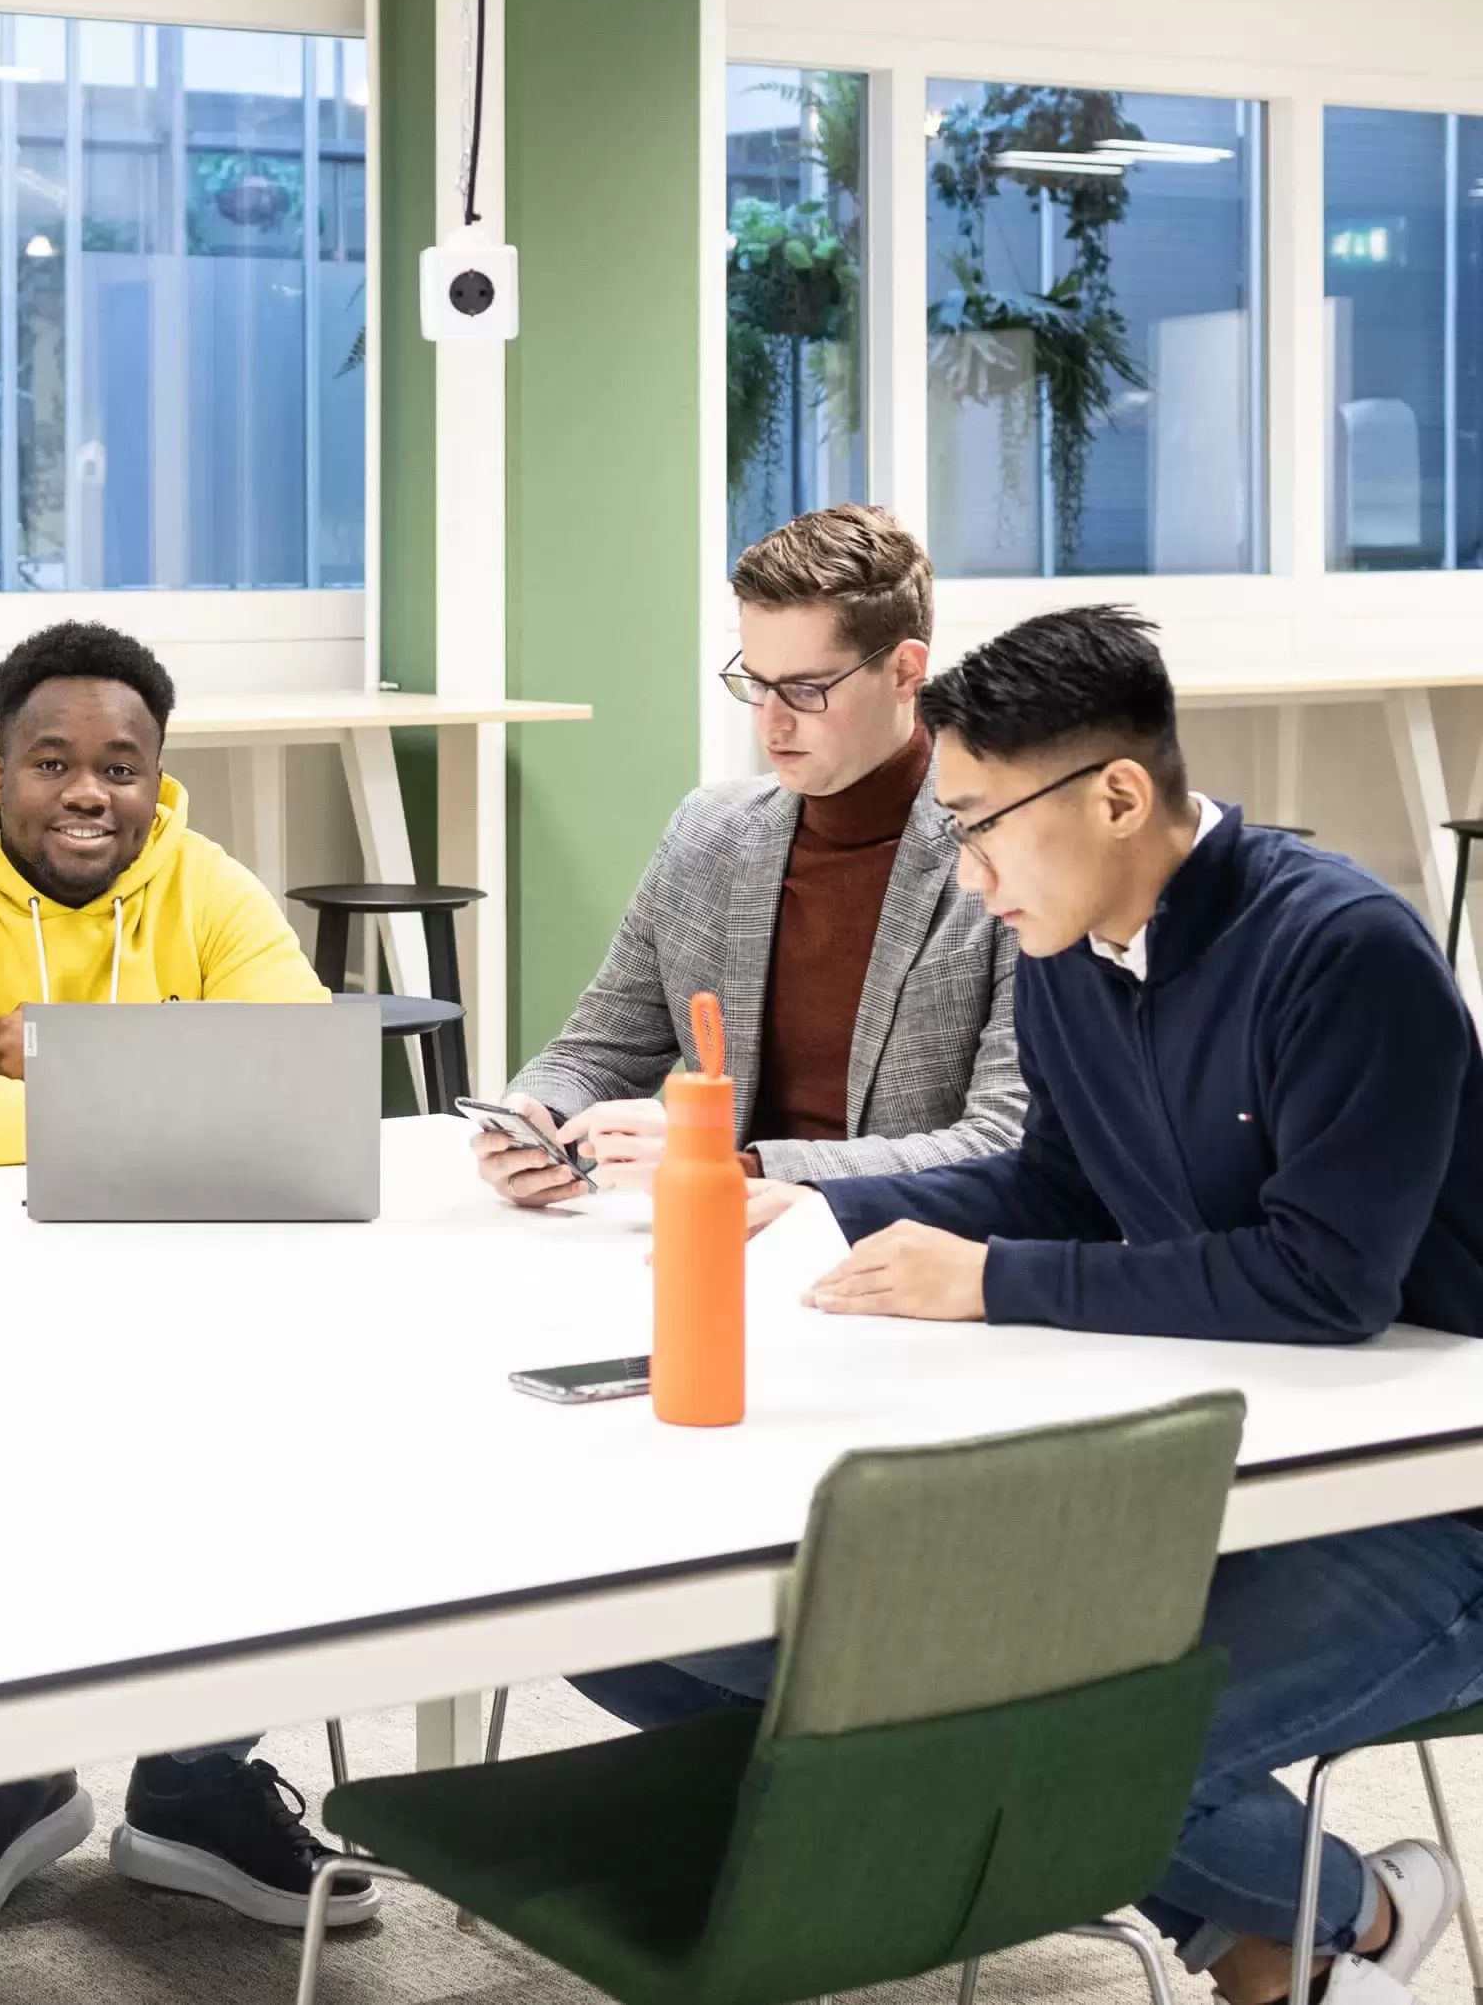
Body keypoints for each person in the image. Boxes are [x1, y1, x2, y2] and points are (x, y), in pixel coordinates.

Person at [634, 606, 1483, 2005]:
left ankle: (1340, 1923)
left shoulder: (1342, 951)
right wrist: (822, 1209)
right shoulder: (1067, 943)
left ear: (1115, 793)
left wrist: (988, 1282)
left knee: (1051, 1741)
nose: (965, 877)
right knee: (721, 1651)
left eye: (977, 826)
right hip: (1217, 1461)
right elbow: (1058, 1184)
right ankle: (1305, 1928)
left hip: (1422, 1502)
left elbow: (1325, 1283)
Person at [0, 618, 374, 1941]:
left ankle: (191, 1784)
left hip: (184, 1296)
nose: (88, 790)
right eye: (52, 761)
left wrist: (67, 1057)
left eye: (121, 766)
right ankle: (1, 1778)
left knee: (301, 1428)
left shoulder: (210, 887)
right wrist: (175, 1076)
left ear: (158, 777)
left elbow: (301, 1086)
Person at [473, 504, 1022, 1206]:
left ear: (903, 671)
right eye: (755, 683)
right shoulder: (711, 831)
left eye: (805, 689)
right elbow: (597, 1051)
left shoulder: (1004, 854)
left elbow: (1001, 1139)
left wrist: (739, 1168)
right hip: (715, 1242)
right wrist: (535, 1120)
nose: (771, 720)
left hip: (902, 1254)